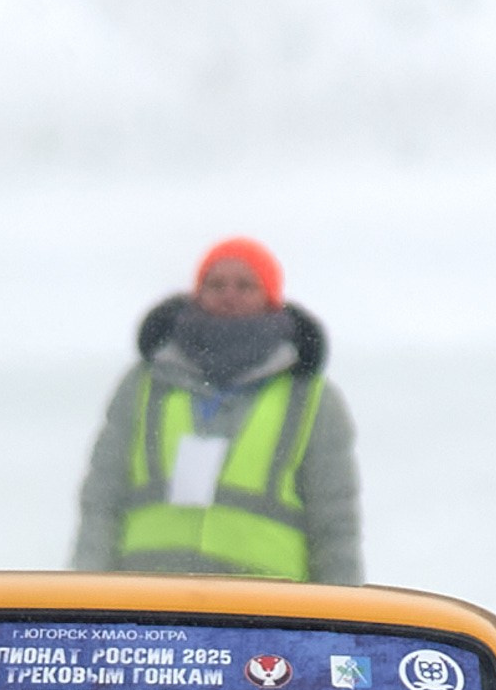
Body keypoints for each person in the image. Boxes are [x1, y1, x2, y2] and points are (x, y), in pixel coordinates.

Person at [70, 238, 362, 583]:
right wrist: (86, 592)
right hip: (149, 598)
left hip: (266, 605)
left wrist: (343, 608)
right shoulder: (144, 385)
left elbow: (334, 521)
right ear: (197, 293)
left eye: (245, 286)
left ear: (270, 298)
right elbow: (102, 497)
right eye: (216, 284)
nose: (229, 295)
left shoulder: (311, 399)